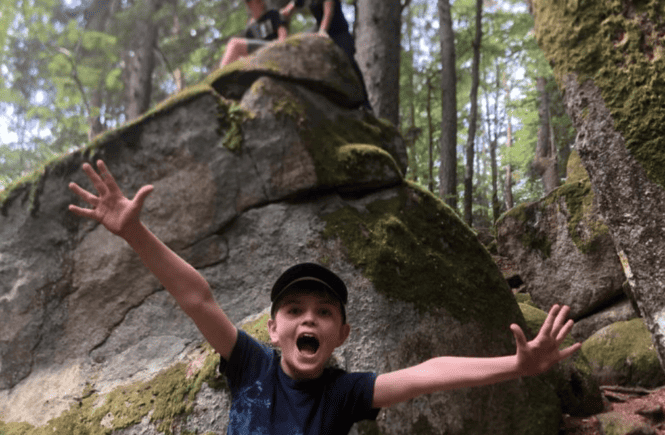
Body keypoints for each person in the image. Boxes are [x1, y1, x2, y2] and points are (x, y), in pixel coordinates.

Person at [68, 160, 582, 435]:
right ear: (273, 329)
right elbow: (198, 299)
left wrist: (516, 367)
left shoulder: (344, 393)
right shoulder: (251, 366)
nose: (306, 320)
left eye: (323, 312)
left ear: (341, 333)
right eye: (293, 311)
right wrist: (136, 234)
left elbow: (427, 374)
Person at [281, 0, 371, 111]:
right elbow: (293, 5)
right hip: (321, 30)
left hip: (339, 33)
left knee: (349, 61)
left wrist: (322, 32)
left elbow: (328, 12)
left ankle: (365, 103)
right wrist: (286, 11)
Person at [220, 0, 289, 67]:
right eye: (247, 2)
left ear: (261, 2)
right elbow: (247, 53)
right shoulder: (249, 29)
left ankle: (220, 76)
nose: (249, 5)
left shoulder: (273, 14)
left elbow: (283, 36)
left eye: (251, 1)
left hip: (273, 47)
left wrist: (279, 47)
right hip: (258, 55)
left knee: (234, 43)